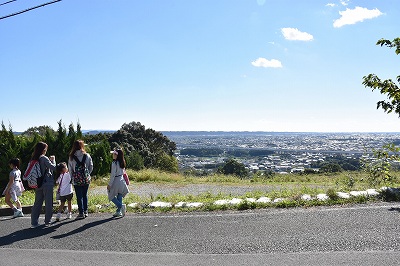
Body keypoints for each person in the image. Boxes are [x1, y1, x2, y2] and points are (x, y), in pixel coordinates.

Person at [30, 142, 56, 228]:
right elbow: (54, 168)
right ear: (44, 149)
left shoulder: (34, 158)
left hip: (38, 183)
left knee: (37, 203)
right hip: (47, 182)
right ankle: (47, 221)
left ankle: (34, 222)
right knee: (48, 202)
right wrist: (53, 160)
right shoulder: (44, 158)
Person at [68, 139, 93, 219]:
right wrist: (87, 174)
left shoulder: (71, 157)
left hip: (76, 179)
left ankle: (81, 212)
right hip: (85, 178)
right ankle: (86, 211)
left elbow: (70, 169)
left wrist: (72, 177)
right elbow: (91, 166)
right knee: (85, 195)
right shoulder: (87, 155)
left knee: (79, 196)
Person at [107, 149, 129, 217]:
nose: (113, 155)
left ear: (116, 155)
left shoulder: (114, 163)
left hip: (116, 180)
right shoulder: (122, 162)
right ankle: (118, 211)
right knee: (119, 194)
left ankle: (121, 206)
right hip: (122, 180)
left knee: (110, 195)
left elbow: (113, 175)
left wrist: (109, 184)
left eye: (114, 154)